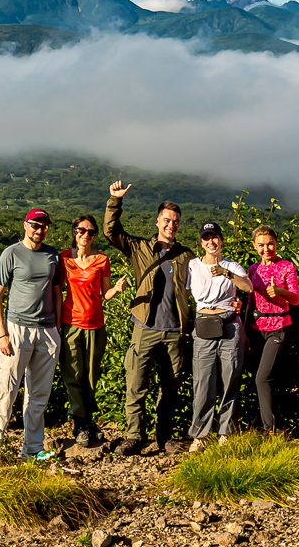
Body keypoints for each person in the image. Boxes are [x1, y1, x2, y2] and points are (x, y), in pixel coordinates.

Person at [104, 181, 195, 456]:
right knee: (137, 384)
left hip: (174, 331)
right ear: (157, 221)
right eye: (167, 219)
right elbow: (111, 231)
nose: (171, 224)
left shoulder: (187, 256)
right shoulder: (140, 248)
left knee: (170, 388)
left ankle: (164, 437)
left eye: (176, 221)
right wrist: (114, 201)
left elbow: (203, 286)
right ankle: (135, 436)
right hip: (145, 327)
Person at [0, 208, 65, 460]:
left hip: (48, 330)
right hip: (17, 329)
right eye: (35, 225)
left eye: (44, 227)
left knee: (39, 394)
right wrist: (2, 334)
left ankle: (32, 449)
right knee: (6, 389)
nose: (39, 230)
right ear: (25, 225)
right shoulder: (11, 253)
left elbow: (56, 290)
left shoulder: (52, 254)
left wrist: (57, 329)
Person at [60, 214, 127, 447]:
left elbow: (105, 293)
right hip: (70, 325)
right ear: (74, 231)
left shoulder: (102, 260)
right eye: (81, 230)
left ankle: (87, 422)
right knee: (72, 375)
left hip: (96, 326)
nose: (85, 235)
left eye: (91, 232)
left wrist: (117, 289)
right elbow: (56, 290)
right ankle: (80, 422)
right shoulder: (63, 258)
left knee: (90, 377)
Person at [185, 221, 252, 452]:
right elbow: (182, 294)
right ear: (201, 242)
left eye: (215, 237)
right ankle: (200, 435)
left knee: (230, 379)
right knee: (203, 382)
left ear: (222, 241)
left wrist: (227, 273)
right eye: (206, 238)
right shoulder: (192, 265)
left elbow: (248, 287)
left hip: (230, 326)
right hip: (204, 327)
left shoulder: (233, 266)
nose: (211, 242)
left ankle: (226, 432)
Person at [245, 225, 299, 434]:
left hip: (278, 327)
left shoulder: (287, 267)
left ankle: (270, 429)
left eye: (270, 244)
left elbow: (295, 299)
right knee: (263, 378)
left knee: (262, 377)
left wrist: (279, 291)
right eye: (261, 245)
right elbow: (250, 300)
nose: (266, 249)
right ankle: (273, 424)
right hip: (256, 329)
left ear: (276, 243)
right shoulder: (253, 269)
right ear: (254, 246)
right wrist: (244, 331)